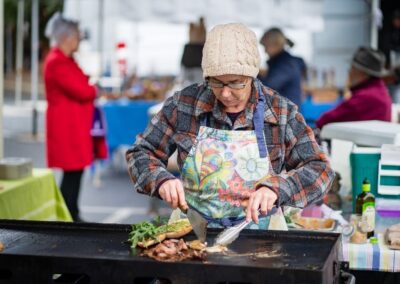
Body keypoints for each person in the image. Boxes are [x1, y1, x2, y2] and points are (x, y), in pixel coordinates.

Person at [126, 23, 334, 229]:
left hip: (263, 239)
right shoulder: (183, 106)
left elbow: (320, 170)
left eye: (235, 82)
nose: (225, 93)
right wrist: (161, 180)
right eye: (216, 82)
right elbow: (141, 153)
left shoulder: (281, 112)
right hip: (193, 234)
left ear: (252, 75)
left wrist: (278, 189)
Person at [44, 14, 100, 222]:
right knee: (72, 173)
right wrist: (93, 89)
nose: (79, 39)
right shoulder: (57, 61)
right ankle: (68, 215)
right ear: (66, 37)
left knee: (75, 173)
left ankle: (71, 213)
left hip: (73, 124)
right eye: (76, 35)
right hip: (66, 126)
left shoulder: (64, 60)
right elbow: (82, 90)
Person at [315, 47, 392, 129]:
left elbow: (324, 121)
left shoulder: (366, 97)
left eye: (352, 69)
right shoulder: (380, 91)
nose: (349, 73)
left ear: (363, 74)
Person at [258, 27, 305, 109]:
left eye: (266, 46)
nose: (265, 51)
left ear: (276, 44)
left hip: (287, 115)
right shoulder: (281, 63)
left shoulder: (287, 64)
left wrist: (254, 73)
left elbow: (268, 86)